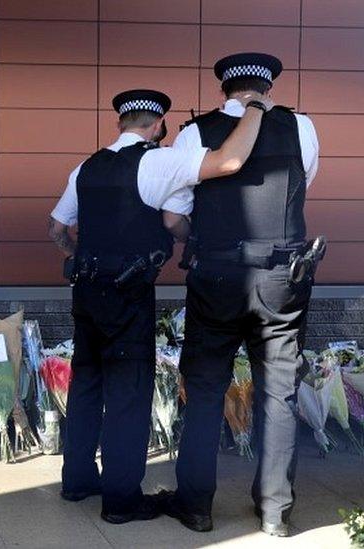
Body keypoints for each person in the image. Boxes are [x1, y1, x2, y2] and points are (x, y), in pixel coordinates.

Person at [48, 89, 269, 525]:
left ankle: (77, 482)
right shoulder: (158, 160)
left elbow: (57, 228)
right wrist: (257, 107)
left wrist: (83, 254)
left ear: (120, 123)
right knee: (128, 392)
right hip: (128, 294)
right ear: (159, 124)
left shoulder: (86, 167)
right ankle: (121, 500)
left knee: (88, 384)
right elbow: (228, 162)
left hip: (86, 291)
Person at [160, 52, 321, 538]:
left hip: (217, 277)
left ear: (224, 88)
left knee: (206, 389)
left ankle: (195, 507)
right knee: (279, 391)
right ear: (268, 88)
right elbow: (301, 186)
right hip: (282, 280)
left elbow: (172, 218)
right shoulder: (302, 127)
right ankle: (275, 511)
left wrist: (208, 236)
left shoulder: (194, 133)